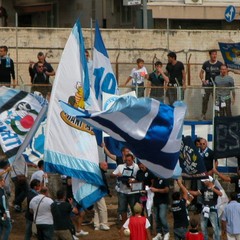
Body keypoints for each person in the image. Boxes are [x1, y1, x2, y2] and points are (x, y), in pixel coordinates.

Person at [111, 153, 139, 223]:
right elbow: (111, 175)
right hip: (122, 191)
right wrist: (117, 174)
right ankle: (125, 224)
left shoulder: (136, 167)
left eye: (129, 160)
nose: (128, 162)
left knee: (134, 209)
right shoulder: (120, 166)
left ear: (133, 159)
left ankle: (135, 224)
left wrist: (133, 181)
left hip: (133, 191)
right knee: (123, 209)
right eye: (126, 160)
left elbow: (140, 178)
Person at [199, 49, 223, 120]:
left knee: (217, 101)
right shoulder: (206, 64)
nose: (214, 55)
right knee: (205, 100)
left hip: (216, 86)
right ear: (210, 55)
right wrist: (203, 80)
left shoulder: (220, 64)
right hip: (207, 86)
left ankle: (217, 115)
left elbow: (224, 73)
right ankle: (203, 114)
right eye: (213, 54)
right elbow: (201, 73)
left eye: (215, 54)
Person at [93, 162, 110, 231]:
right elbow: (103, 183)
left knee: (96, 209)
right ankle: (103, 223)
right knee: (103, 208)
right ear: (101, 166)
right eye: (105, 165)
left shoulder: (97, 172)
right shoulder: (99, 173)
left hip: (94, 192)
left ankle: (96, 225)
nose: (107, 166)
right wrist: (107, 191)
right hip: (98, 192)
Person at [0, 175, 12, 240]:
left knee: (1, 227)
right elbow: (0, 202)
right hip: (2, 213)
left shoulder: (2, 190)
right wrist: (3, 212)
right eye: (3, 180)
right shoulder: (0, 191)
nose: (4, 182)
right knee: (8, 227)